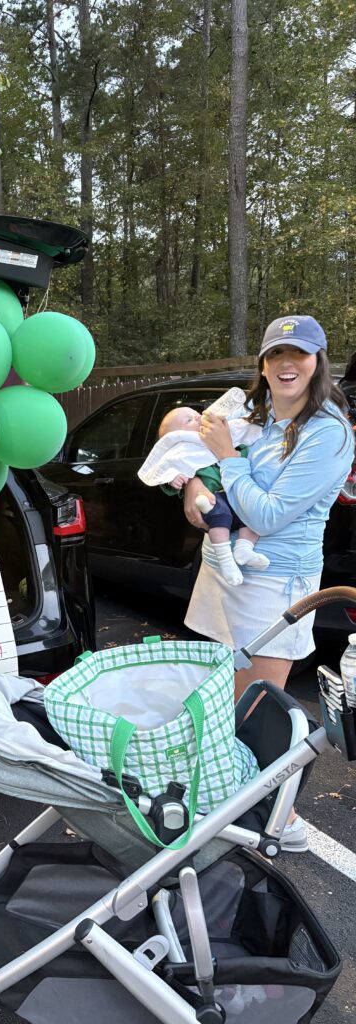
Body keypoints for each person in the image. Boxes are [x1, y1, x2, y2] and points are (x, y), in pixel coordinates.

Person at [182, 315, 353, 851]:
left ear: (317, 361)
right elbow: (212, 478)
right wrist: (194, 488)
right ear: (262, 362)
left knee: (260, 707)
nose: (286, 364)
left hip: (277, 582)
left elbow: (272, 513)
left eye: (298, 354)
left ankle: (281, 818)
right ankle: (230, 801)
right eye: (276, 353)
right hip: (224, 570)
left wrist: (226, 460)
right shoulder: (257, 418)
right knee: (227, 699)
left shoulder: (330, 432)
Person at [148, 405, 267, 586]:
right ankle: (226, 559)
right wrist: (176, 479)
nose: (197, 418)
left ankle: (244, 548)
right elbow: (166, 471)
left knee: (249, 515)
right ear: (176, 436)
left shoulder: (218, 435)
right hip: (212, 497)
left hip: (234, 492)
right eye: (189, 420)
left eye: (197, 415)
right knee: (220, 516)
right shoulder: (181, 450)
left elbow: (241, 444)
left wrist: (237, 452)